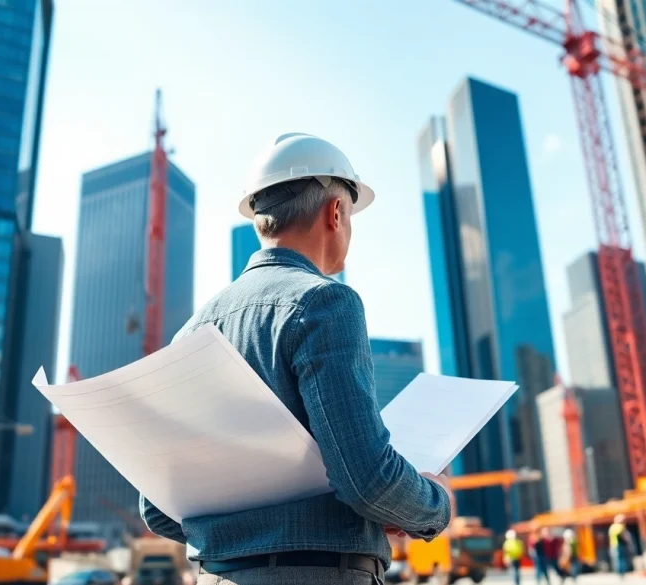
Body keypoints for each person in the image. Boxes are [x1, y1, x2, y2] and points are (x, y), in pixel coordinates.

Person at [137, 133, 454, 584]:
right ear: (336, 212)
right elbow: (367, 479)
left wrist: (244, 530)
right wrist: (436, 504)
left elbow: (159, 510)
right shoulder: (325, 302)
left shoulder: (189, 333)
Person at [608, 514, 632, 579]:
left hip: (614, 545)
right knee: (622, 559)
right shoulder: (620, 527)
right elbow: (624, 536)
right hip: (620, 545)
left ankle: (619, 573)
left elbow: (610, 537)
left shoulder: (612, 527)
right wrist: (628, 543)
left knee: (617, 560)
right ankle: (622, 573)